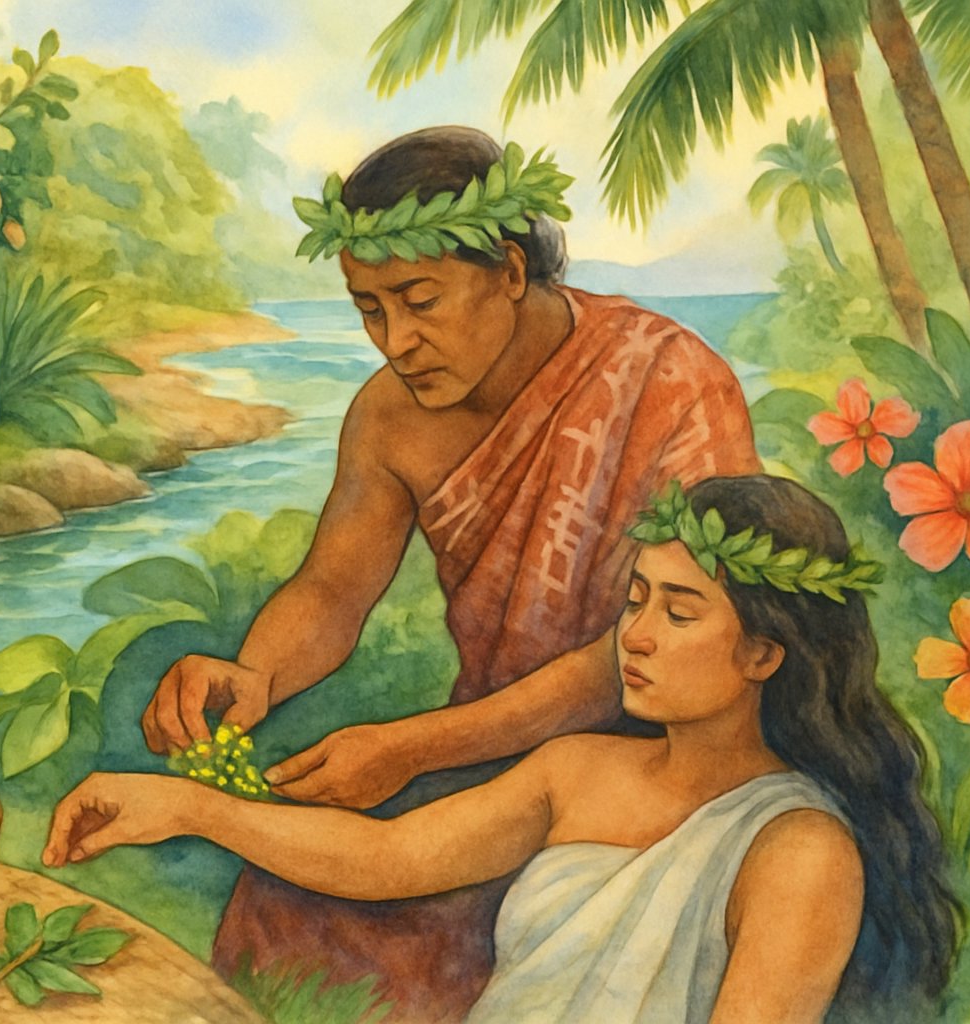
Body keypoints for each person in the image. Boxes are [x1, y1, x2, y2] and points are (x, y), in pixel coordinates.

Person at [140, 126, 763, 1018]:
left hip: (657, 756)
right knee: (288, 902)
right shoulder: (391, 416)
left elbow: (661, 645)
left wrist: (413, 748)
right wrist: (255, 674)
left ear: (509, 272)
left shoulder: (669, 379)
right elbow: (331, 591)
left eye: (419, 300)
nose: (395, 339)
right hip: (485, 746)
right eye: (368, 309)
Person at [50, 475, 960, 1023]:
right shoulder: (578, 771)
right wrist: (182, 806)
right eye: (635, 599)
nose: (634, 636)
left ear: (766, 652)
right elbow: (387, 857)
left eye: (679, 613)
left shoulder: (800, 850)